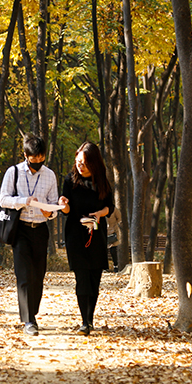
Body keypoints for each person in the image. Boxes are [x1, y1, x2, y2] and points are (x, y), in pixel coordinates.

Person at [0, 134, 59, 336]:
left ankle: (32, 312)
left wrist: (49, 212)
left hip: (41, 229)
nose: (38, 163)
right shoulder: (13, 172)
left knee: (38, 275)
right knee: (24, 275)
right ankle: (29, 320)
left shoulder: (50, 175)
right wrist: (24, 201)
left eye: (41, 158)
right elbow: (3, 200)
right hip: (21, 229)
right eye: (34, 159)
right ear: (25, 155)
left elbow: (54, 204)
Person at [58, 142, 114, 336]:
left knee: (94, 279)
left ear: (94, 163)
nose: (80, 166)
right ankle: (85, 322)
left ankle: (90, 318)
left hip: (96, 234)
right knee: (82, 278)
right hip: (75, 234)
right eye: (78, 161)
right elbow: (65, 209)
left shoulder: (102, 182)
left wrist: (100, 213)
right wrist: (63, 204)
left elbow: (110, 207)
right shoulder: (70, 180)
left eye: (84, 163)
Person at [106, 207, 121, 273]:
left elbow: (119, 218)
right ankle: (105, 267)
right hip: (104, 232)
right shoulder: (100, 209)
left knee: (113, 251)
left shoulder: (114, 209)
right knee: (104, 251)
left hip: (113, 232)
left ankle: (115, 266)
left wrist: (114, 226)